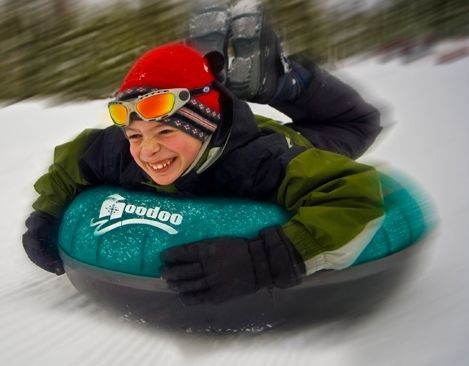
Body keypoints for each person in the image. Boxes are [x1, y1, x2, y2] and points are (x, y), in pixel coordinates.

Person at [22, 4, 384, 306]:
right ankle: (209, 69)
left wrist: (263, 260)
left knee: (360, 123)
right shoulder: (121, 151)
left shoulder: (259, 161)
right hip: (213, 114)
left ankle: (281, 79)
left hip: (279, 137)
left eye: (164, 131)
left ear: (205, 127)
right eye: (134, 135)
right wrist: (46, 214)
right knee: (168, 120)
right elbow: (71, 163)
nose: (147, 150)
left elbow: (355, 193)